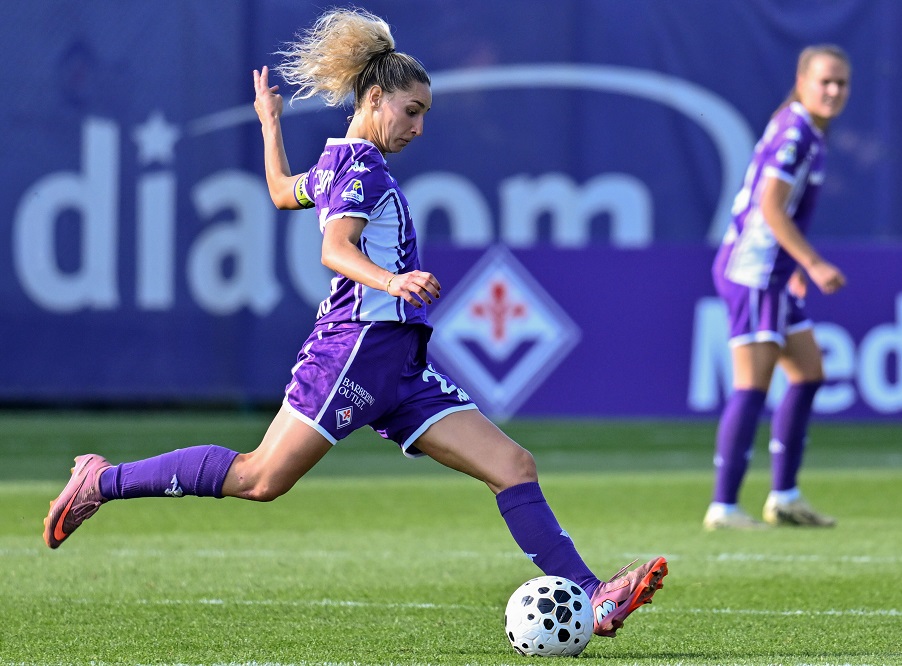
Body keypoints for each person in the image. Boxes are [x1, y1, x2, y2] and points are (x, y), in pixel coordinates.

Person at [42, 7, 667, 638]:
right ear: (375, 97)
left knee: (514, 466)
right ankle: (103, 480)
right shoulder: (362, 168)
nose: (419, 127)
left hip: (399, 364)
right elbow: (334, 250)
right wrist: (392, 280)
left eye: (425, 114)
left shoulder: (341, 164)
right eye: (412, 110)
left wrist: (269, 125)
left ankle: (591, 597)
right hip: (355, 350)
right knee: (260, 478)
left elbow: (284, 191)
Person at [703, 44, 851, 530]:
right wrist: (810, 263)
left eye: (841, 83)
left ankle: (784, 496)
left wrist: (792, 269)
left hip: (774, 271)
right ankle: (723, 506)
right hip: (754, 272)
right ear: (802, 81)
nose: (833, 90)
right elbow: (770, 206)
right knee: (753, 384)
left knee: (809, 373)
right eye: (824, 81)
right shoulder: (795, 133)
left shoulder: (805, 130)